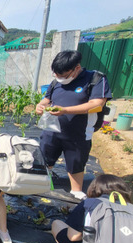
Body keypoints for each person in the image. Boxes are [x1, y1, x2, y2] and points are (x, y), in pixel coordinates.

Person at [35, 50, 112, 200]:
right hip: (52, 129)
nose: (59, 78)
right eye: (56, 74)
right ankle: (42, 183)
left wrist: (65, 111)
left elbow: (97, 104)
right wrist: (40, 105)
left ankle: (76, 192)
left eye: (63, 75)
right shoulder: (56, 81)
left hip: (78, 132)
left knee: (76, 161)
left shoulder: (95, 79)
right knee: (45, 157)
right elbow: (47, 99)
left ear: (76, 68)